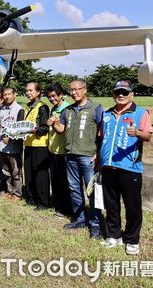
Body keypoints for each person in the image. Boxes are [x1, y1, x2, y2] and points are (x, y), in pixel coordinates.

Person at [98, 80, 153, 255]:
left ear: (131, 94)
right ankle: (114, 235)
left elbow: (148, 135)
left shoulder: (141, 113)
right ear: (113, 94)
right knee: (111, 204)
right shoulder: (107, 114)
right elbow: (101, 137)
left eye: (124, 92)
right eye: (117, 92)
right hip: (108, 166)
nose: (121, 95)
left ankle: (132, 239)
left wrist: (137, 133)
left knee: (133, 206)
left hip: (130, 168)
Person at [51, 79, 103, 240]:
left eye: (77, 89)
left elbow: (103, 134)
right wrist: (55, 123)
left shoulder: (96, 108)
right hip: (70, 155)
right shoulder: (68, 110)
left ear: (85, 90)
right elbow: (61, 130)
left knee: (92, 191)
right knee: (74, 188)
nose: (74, 92)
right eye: (71, 90)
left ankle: (96, 224)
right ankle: (80, 219)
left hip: (88, 156)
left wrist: (99, 154)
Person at [45, 83, 72, 218]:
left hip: (62, 151)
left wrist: (55, 123)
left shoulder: (67, 109)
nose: (52, 99)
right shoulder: (53, 109)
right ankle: (57, 205)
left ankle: (65, 209)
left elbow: (64, 130)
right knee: (55, 180)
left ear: (61, 95)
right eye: (49, 97)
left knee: (63, 181)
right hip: (52, 149)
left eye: (54, 96)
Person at [23, 82, 51, 209]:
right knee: (29, 172)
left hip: (40, 145)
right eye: (27, 91)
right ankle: (31, 199)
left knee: (40, 174)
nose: (28, 93)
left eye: (31, 90)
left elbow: (45, 128)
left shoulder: (42, 107)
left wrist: (35, 130)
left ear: (38, 92)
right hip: (28, 144)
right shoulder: (28, 107)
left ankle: (43, 202)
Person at [0, 87, 25, 201]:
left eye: (9, 94)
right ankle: (9, 190)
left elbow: (21, 128)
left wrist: (11, 138)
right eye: (5, 94)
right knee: (5, 170)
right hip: (2, 145)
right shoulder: (2, 108)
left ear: (15, 94)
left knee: (16, 171)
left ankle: (17, 194)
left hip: (14, 147)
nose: (7, 96)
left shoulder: (19, 109)